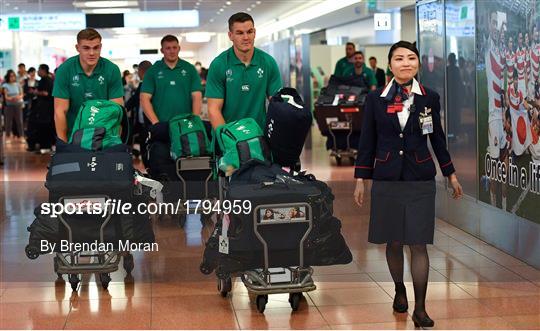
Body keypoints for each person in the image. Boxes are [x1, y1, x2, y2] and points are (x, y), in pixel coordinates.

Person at [353, 41, 463, 328]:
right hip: (387, 178)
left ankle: (421, 308)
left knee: (418, 243)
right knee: (394, 241)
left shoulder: (429, 97)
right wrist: (361, 180)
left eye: (411, 58)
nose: (406, 63)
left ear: (418, 63)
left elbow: (437, 138)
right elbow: (367, 142)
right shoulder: (376, 99)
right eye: (399, 58)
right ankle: (399, 289)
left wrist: (450, 174)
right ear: (389, 65)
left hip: (419, 178)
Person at [206, 12, 282, 130]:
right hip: (229, 139)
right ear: (230, 35)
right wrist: (228, 140)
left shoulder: (268, 62)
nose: (246, 37)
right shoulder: (219, 64)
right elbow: (213, 110)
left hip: (259, 137)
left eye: (249, 32)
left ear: (254, 33)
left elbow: (277, 105)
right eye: (240, 33)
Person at [141, 34, 203, 178]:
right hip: (163, 127)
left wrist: (195, 120)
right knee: (163, 165)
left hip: (185, 128)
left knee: (188, 165)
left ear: (179, 48)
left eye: (174, 47)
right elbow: (144, 99)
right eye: (168, 48)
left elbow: (197, 96)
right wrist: (156, 123)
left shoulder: (189, 69)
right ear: (162, 50)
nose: (172, 51)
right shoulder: (153, 71)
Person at [53, 28, 124, 142]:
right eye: (86, 48)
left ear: (100, 47)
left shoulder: (112, 70)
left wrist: (114, 140)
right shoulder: (65, 69)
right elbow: (60, 111)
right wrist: (63, 144)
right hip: (74, 136)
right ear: (77, 48)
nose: (92, 53)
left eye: (96, 48)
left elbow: (116, 110)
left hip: (104, 137)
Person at [126, 60, 152, 161]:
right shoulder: (142, 85)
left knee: (148, 148)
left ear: (141, 71)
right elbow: (134, 100)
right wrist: (123, 109)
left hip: (150, 123)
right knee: (143, 147)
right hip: (141, 123)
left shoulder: (154, 84)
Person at [28, 64, 55, 154]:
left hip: (45, 109)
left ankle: (45, 147)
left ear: (43, 70)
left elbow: (46, 93)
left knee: (44, 127)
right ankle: (44, 146)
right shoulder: (45, 80)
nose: (38, 72)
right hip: (44, 108)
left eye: (39, 69)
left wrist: (35, 92)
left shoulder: (46, 80)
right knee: (44, 126)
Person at [2, 69, 25, 143]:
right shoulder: (5, 85)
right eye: (11, 76)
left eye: (13, 76)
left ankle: (21, 136)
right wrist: (11, 98)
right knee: (8, 122)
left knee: (19, 121)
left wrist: (19, 97)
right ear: (8, 77)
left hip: (18, 104)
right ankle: (8, 137)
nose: (12, 78)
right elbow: (6, 97)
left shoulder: (18, 84)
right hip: (9, 105)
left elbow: (21, 94)